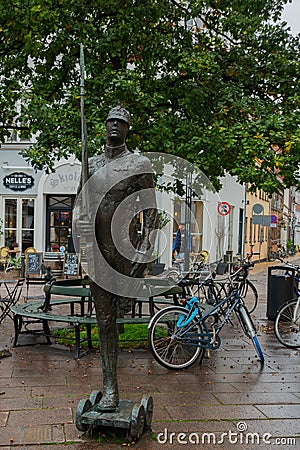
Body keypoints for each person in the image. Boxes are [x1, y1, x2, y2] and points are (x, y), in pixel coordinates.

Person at [77, 104, 157, 412]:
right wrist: (79, 225)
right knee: (105, 320)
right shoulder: (91, 164)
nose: (114, 126)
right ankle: (110, 386)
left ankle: (127, 301)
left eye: (120, 122)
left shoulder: (138, 163)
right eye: (110, 121)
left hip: (124, 249)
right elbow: (77, 208)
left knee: (119, 311)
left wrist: (144, 248)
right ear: (104, 126)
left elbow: (150, 209)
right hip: (97, 251)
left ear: (127, 128)